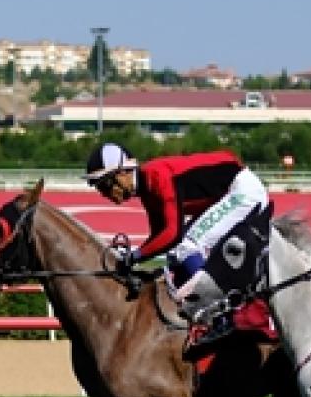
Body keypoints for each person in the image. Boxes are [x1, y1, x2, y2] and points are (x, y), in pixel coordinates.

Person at [83, 142, 273, 343]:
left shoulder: (156, 177)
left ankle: (222, 318)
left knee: (187, 246)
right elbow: (159, 237)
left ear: (122, 174)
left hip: (242, 190)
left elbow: (173, 234)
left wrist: (135, 256)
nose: (103, 194)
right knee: (179, 253)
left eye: (104, 185)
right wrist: (133, 256)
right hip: (230, 191)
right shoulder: (147, 191)